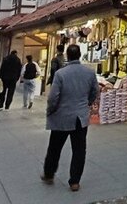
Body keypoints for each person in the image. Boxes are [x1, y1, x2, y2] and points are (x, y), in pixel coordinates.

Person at [41, 44, 99, 193]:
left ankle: (49, 174)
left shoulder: (61, 74)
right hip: (80, 117)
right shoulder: (89, 73)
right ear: (79, 55)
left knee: (54, 147)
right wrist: (86, 104)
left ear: (67, 55)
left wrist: (51, 110)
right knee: (79, 150)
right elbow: (95, 92)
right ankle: (75, 181)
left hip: (62, 116)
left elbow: (53, 97)